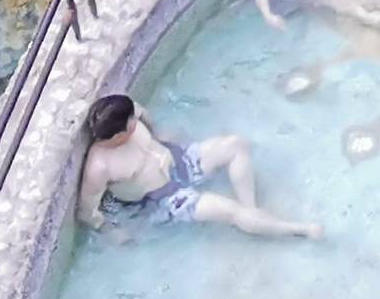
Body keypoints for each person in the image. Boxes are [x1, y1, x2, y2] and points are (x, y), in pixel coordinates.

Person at [75, 91, 316, 238]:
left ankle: (252, 213)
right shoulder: (100, 166)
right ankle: (296, 229)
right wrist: (111, 232)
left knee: (236, 144)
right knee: (231, 211)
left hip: (178, 160)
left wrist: (157, 134)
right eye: (132, 126)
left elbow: (141, 112)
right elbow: (87, 212)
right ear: (117, 136)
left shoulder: (125, 113)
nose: (135, 122)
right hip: (165, 199)